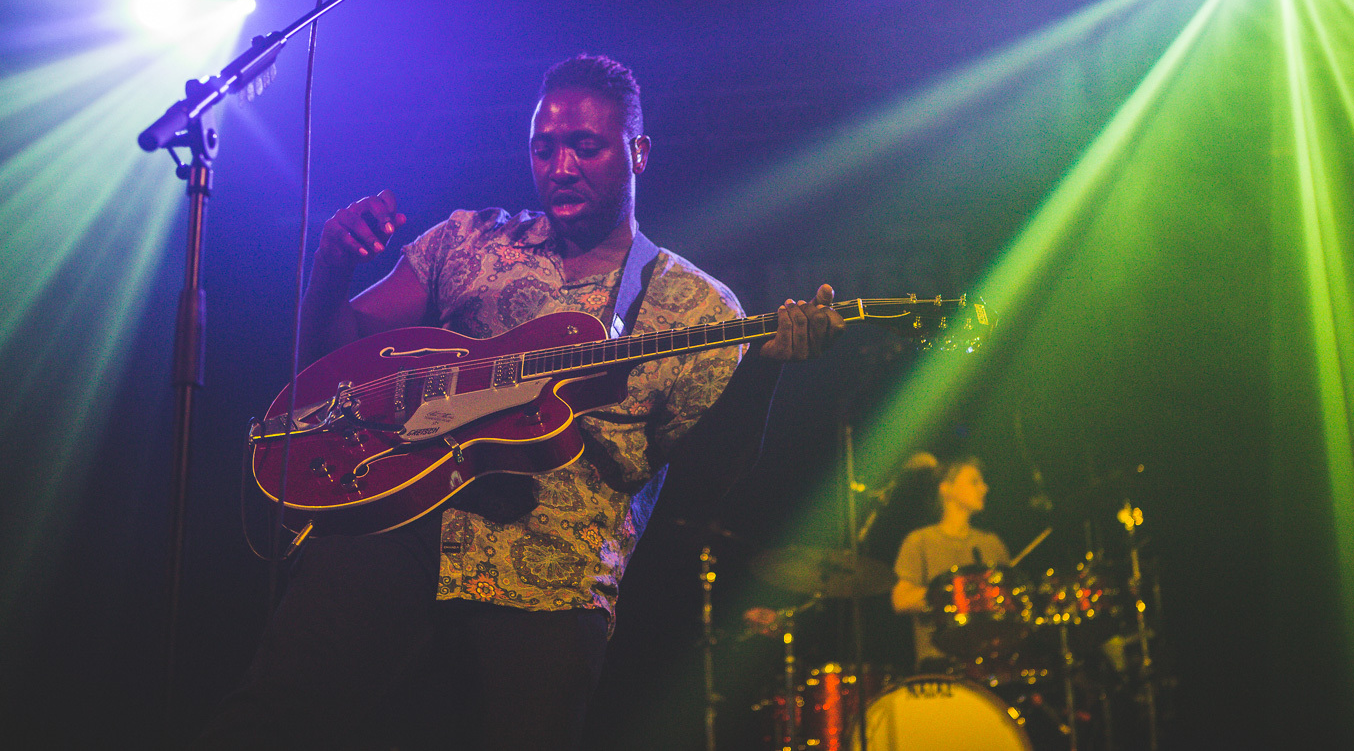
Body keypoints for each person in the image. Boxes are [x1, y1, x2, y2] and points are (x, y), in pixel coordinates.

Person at [197, 54, 845, 750]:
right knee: (264, 721)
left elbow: (715, 478)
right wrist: (331, 262)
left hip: (549, 584)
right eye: (544, 147)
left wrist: (768, 374)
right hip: (395, 534)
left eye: (585, 146)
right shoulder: (468, 240)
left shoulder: (696, 305)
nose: (561, 165)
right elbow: (328, 365)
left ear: (639, 151)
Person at [889, 456, 1010, 673]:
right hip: (938, 667)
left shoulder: (992, 543)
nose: (984, 487)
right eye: (974, 481)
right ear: (947, 489)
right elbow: (901, 600)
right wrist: (956, 594)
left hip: (991, 663)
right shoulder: (920, 541)